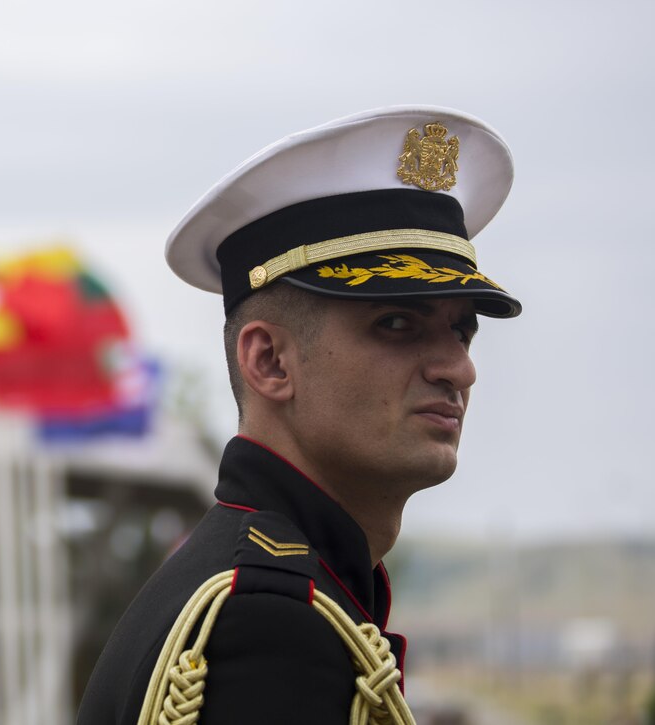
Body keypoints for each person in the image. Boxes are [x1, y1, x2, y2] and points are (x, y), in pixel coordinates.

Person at [77, 105, 522, 724]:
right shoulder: (268, 620)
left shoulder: (270, 585)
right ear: (269, 362)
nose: (459, 369)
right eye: (397, 323)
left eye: (461, 332)